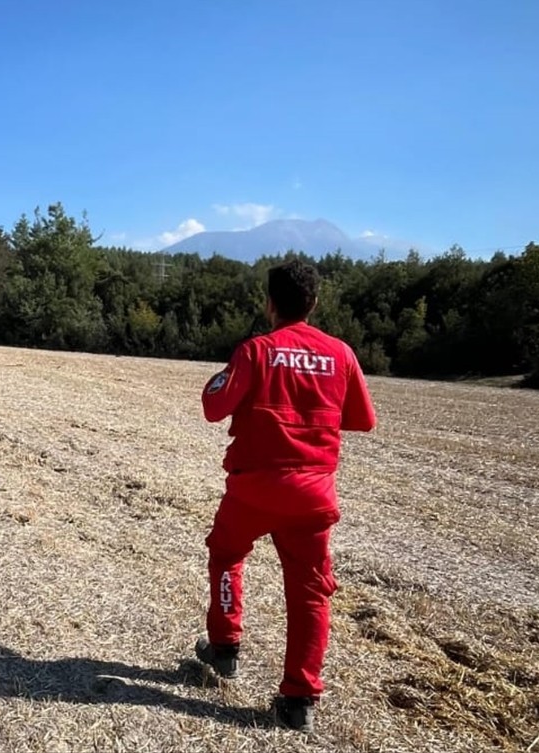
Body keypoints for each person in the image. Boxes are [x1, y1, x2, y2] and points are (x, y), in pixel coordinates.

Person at [195, 259, 376, 733]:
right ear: (314, 303)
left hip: (254, 489)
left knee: (227, 554)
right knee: (311, 592)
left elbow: (214, 407)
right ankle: (298, 699)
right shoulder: (340, 354)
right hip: (312, 496)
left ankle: (225, 646)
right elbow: (362, 419)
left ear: (269, 302)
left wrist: (228, 374)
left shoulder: (256, 350)